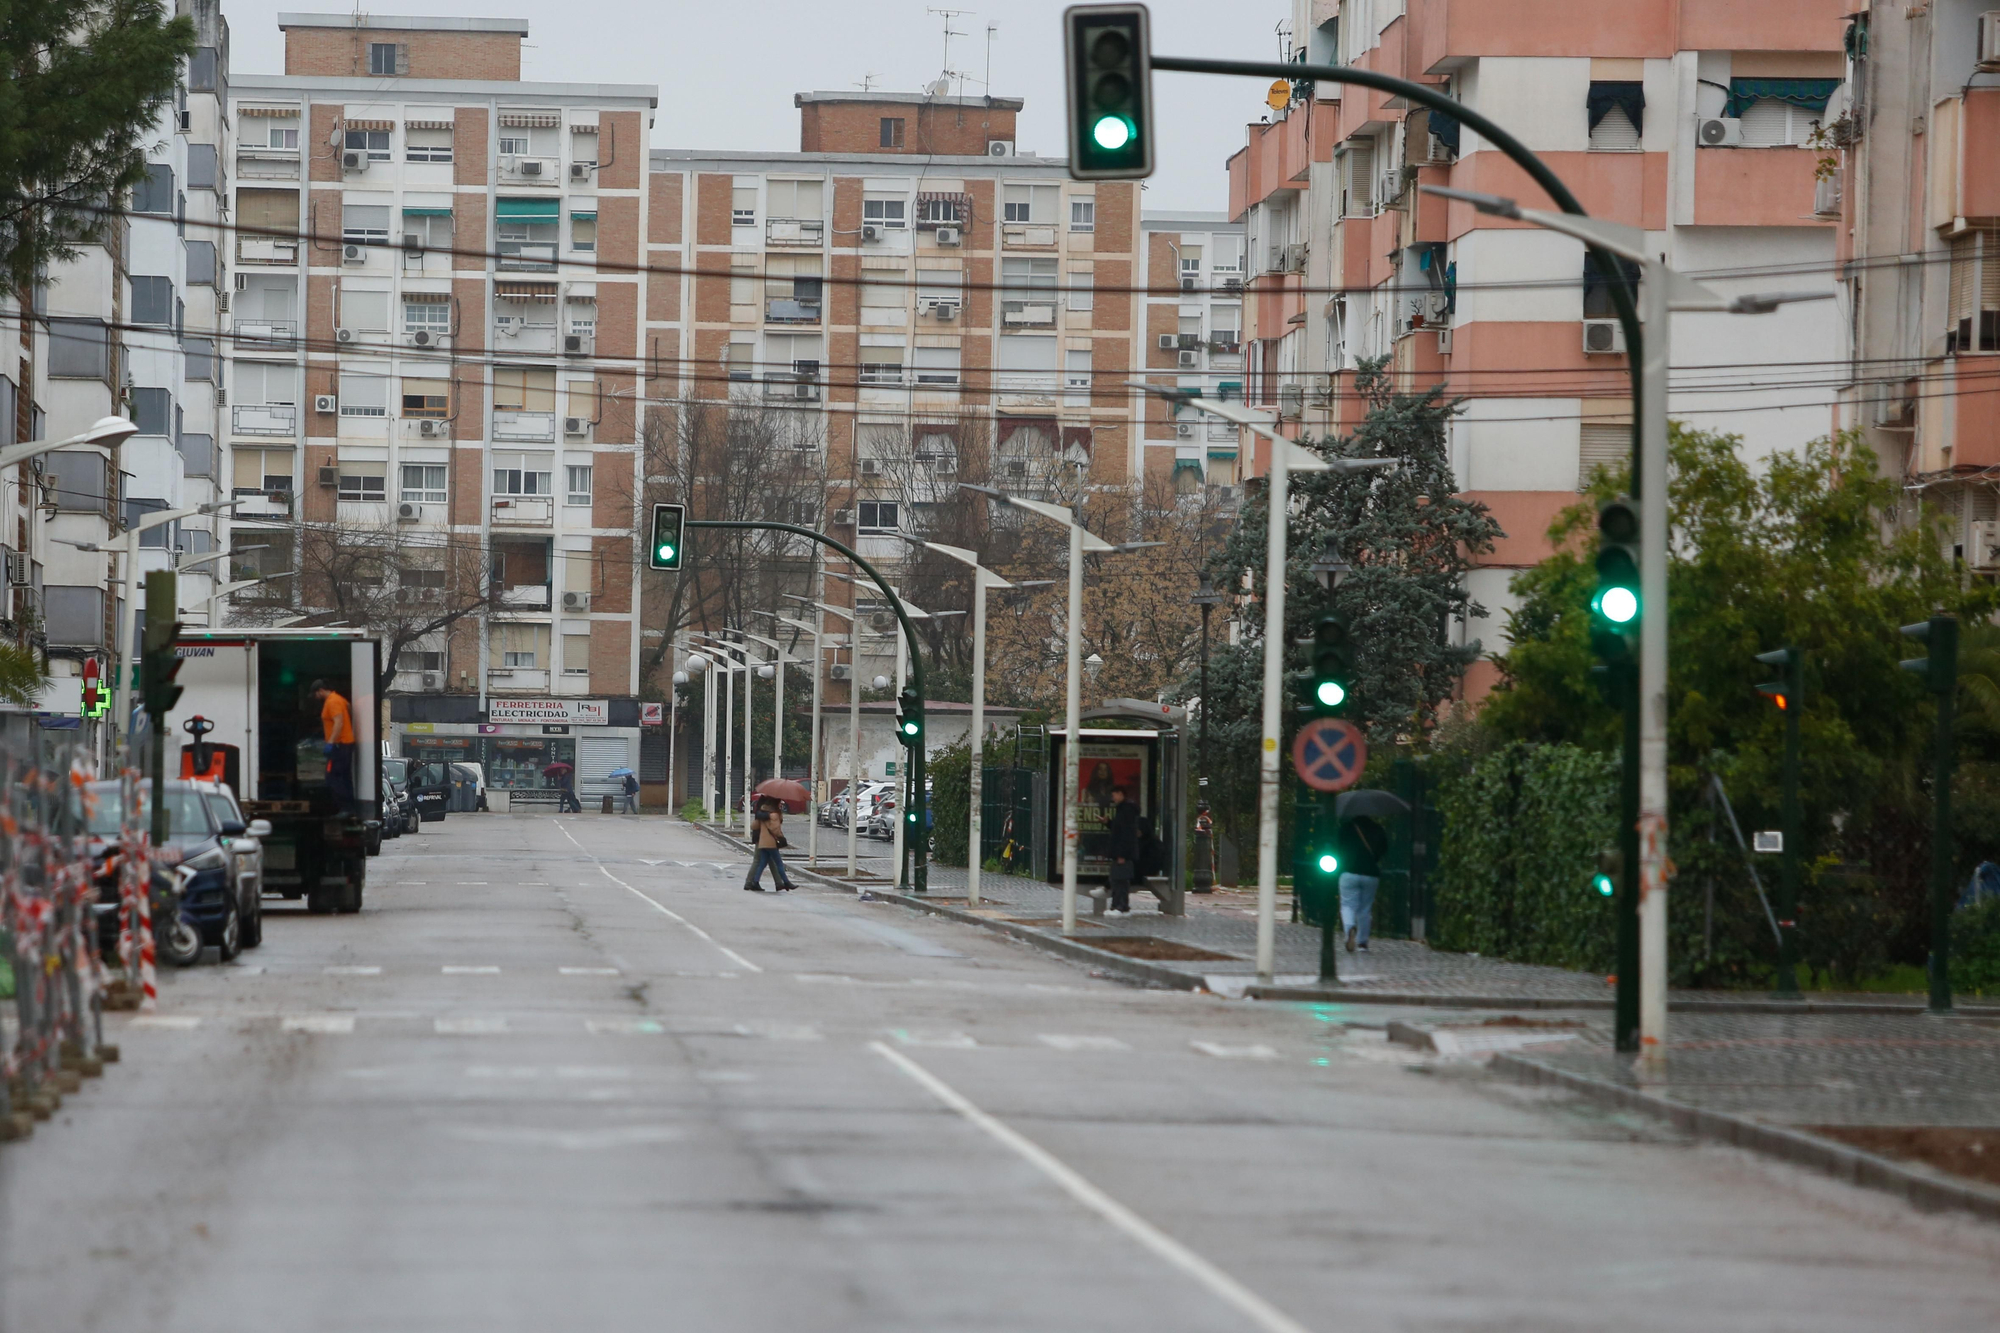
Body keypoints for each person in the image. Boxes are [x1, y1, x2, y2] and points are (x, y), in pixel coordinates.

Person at [1337, 814, 1389, 952]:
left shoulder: (1346, 828)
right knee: (1365, 909)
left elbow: (1338, 847)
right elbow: (1383, 849)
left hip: (1349, 871)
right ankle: (1362, 943)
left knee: (1347, 905)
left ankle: (1349, 928)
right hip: (1370, 874)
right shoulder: (1378, 829)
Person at [309, 680, 357, 814]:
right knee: (344, 776)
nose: (315, 698)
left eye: (315, 694)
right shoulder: (339, 699)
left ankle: (345, 807)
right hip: (344, 743)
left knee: (333, 777)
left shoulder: (332, 702)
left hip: (340, 745)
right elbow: (349, 711)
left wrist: (331, 742)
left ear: (320, 690)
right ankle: (349, 807)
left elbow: (338, 722)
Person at [744, 796, 795, 892]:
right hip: (768, 841)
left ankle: (777, 883)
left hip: (761, 840)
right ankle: (784, 882)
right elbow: (775, 829)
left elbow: (754, 825)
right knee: (772, 862)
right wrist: (781, 837)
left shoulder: (762, 811)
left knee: (765, 862)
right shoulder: (773, 814)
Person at [1104, 784, 1140, 916]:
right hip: (1121, 851)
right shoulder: (1123, 809)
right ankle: (1116, 905)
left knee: (1121, 880)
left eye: (1114, 795)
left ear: (1120, 794)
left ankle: (1121, 906)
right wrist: (1108, 823)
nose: (1113, 798)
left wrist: (1122, 854)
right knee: (1116, 878)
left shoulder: (1127, 810)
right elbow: (1120, 829)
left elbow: (1126, 833)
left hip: (1123, 852)